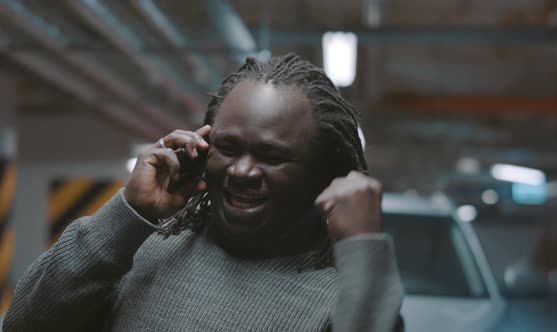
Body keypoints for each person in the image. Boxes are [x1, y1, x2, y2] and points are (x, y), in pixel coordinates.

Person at [3, 54, 403, 331]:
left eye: (271, 156)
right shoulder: (145, 252)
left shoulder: (337, 299)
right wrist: (128, 212)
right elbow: (25, 323)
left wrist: (363, 249)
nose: (242, 170)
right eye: (228, 148)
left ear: (322, 175)